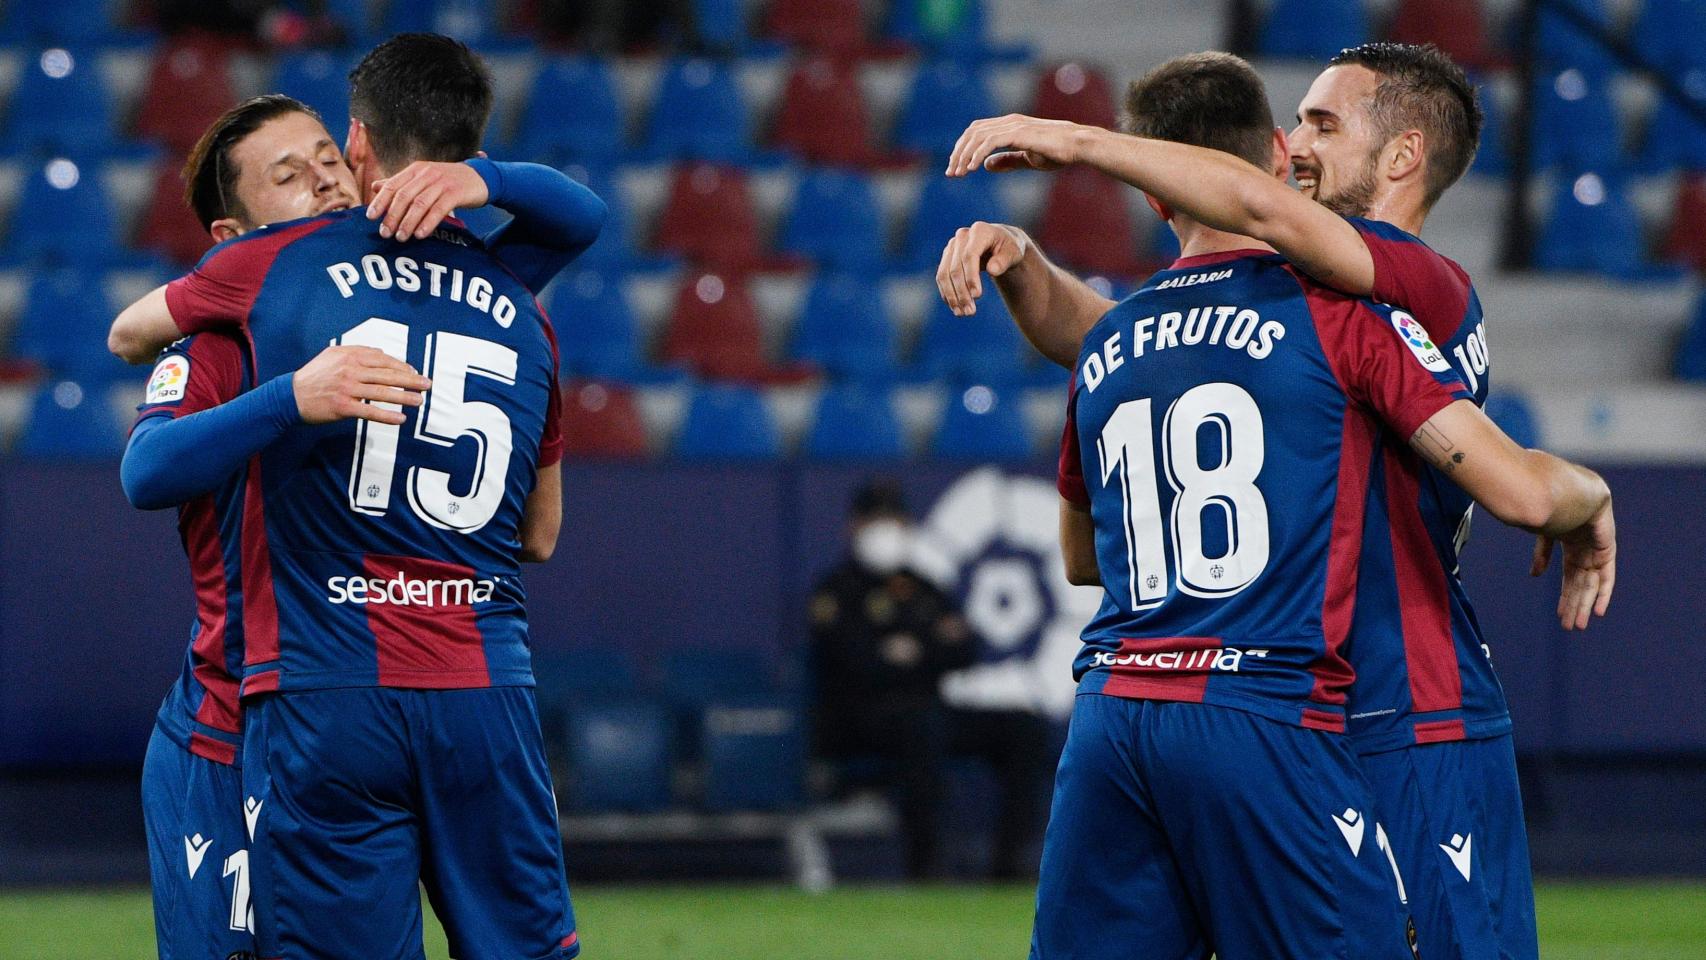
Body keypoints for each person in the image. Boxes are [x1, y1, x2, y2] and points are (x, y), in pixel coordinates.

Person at [938, 42, 1589, 960]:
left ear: (1401, 157)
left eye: (1324, 121)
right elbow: (1186, 337)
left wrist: (1070, 146)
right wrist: (1030, 274)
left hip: (1400, 711)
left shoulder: (1407, 285)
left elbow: (1172, 306)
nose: (1299, 140)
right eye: (1294, 128)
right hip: (1286, 705)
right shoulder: (1320, 310)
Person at [112, 34, 605, 960]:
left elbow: (125, 334)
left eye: (330, 162)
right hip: (233, 720)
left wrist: (476, 180)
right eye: (290, 178)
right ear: (231, 233)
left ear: (364, 150)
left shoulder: (371, 278)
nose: (327, 187)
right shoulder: (233, 332)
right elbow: (145, 461)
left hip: (319, 696)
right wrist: (289, 396)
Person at [809, 480, 1053, 879]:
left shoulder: (922, 587)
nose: (886, 530)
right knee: (922, 728)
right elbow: (852, 661)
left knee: (1024, 729)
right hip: (861, 719)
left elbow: (963, 649)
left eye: (894, 519)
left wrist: (909, 651)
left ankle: (1010, 863)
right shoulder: (836, 591)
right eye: (876, 520)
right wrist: (921, 648)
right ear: (853, 526)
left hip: (929, 708)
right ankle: (925, 868)